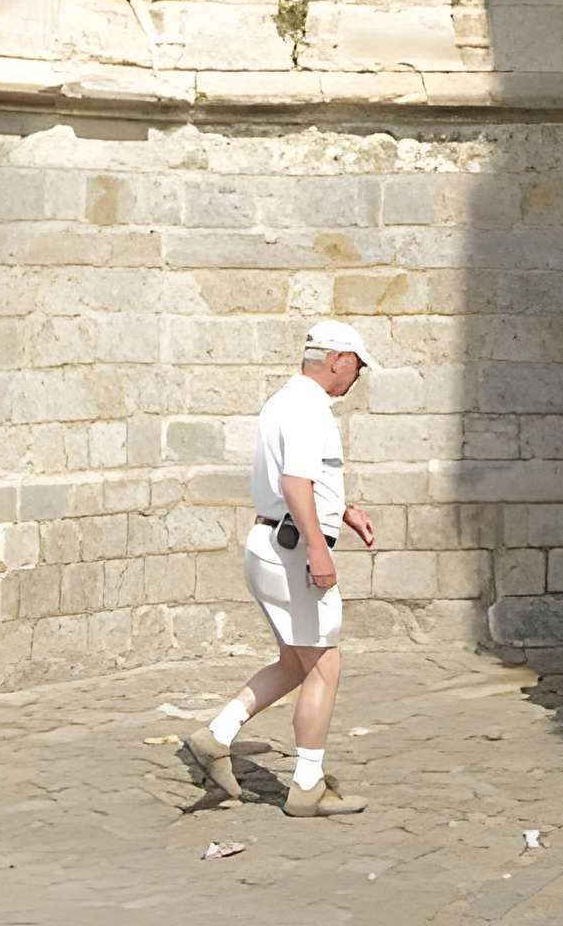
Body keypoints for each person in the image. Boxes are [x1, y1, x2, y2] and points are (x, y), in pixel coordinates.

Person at [185, 323, 377, 818]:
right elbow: (295, 484)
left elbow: (296, 479)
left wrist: (342, 510)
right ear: (337, 358)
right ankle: (307, 786)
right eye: (357, 365)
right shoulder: (310, 409)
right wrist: (318, 549)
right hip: (292, 550)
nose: (357, 376)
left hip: (269, 542)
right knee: (324, 667)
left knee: (294, 662)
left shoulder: (283, 402)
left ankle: (216, 735)